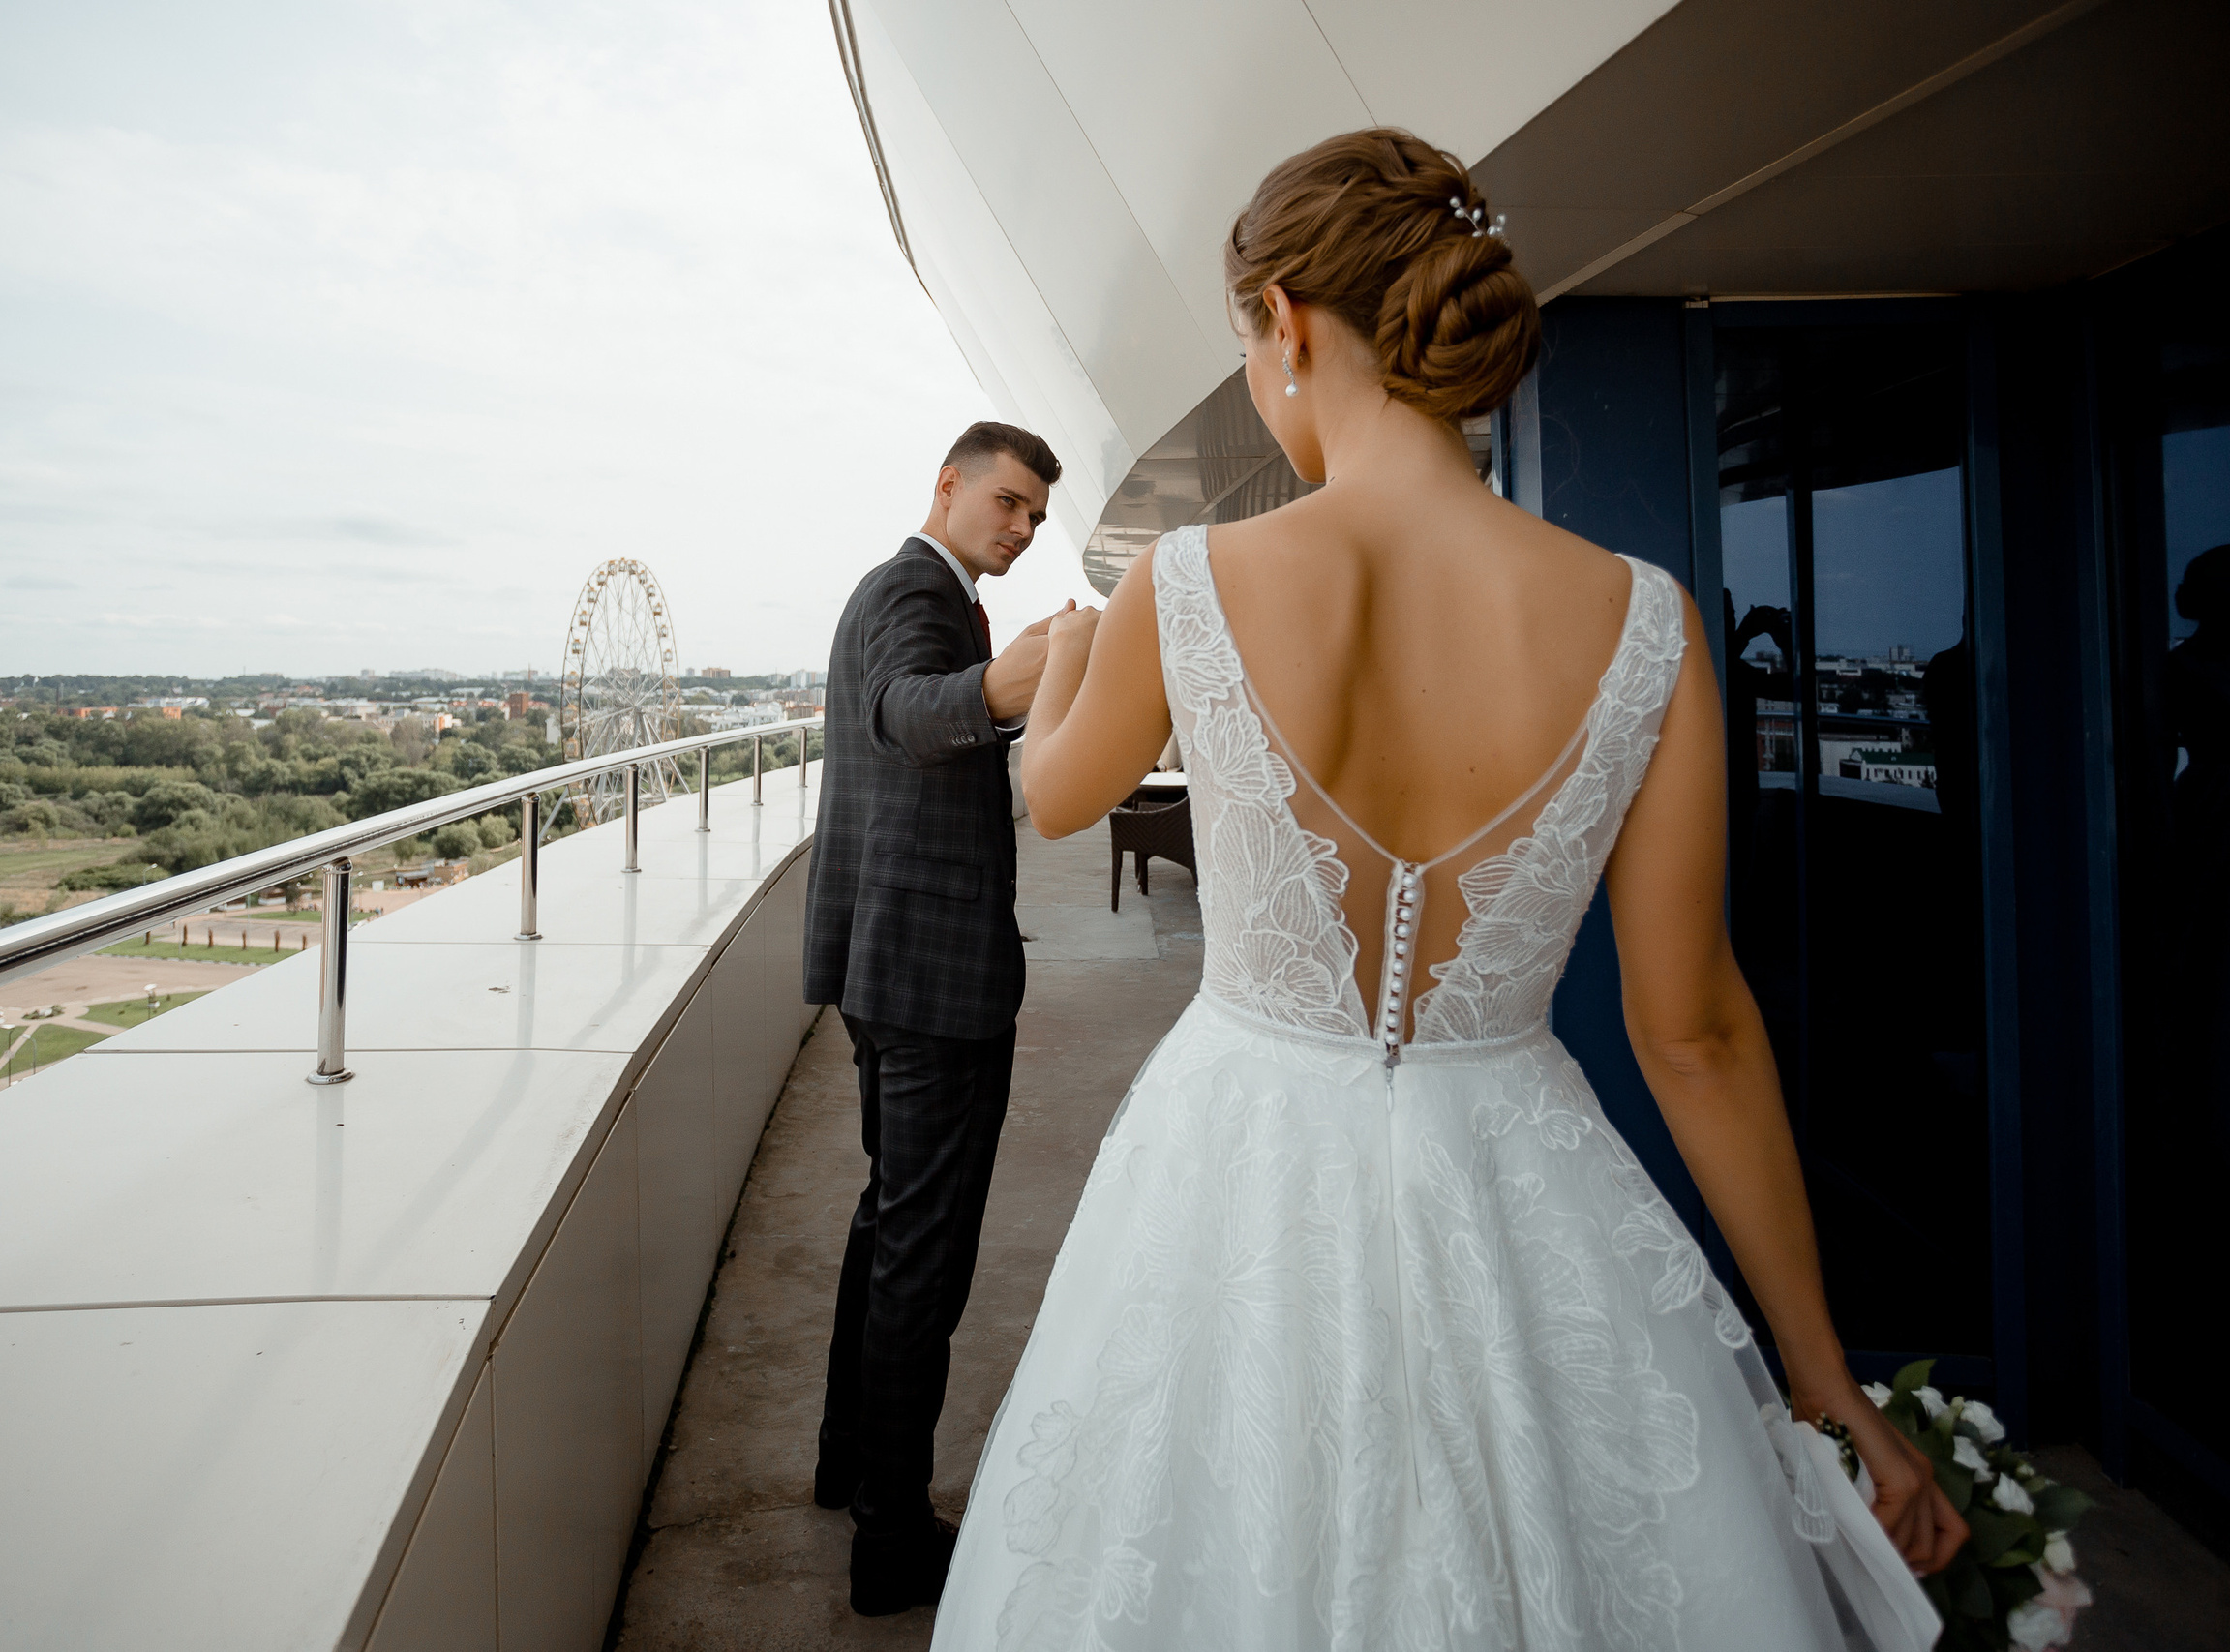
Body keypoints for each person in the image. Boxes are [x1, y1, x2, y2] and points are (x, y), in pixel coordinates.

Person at [932, 131, 1965, 1651]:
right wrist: (1827, 1384)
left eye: (1247, 345)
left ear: (1283, 317)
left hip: (1236, 1170)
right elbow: (1696, 1036)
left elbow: (1054, 791)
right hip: (1521, 1177)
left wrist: (1071, 654)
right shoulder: (1648, 627)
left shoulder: (1194, 582)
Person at [802, 421, 1075, 1617]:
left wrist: (999, 695)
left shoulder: (909, 588)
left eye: (1034, 516)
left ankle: (845, 1463)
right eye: (1008, 504)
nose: (1020, 528)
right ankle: (891, 1538)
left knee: (887, 1222)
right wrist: (1007, 683)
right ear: (948, 486)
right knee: (925, 1252)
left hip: (886, 969)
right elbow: (911, 714)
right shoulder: (920, 591)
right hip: (933, 982)